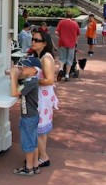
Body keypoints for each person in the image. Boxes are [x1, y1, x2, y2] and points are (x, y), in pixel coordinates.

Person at [30, 30, 59, 167]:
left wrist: (31, 80)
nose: (33, 42)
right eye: (33, 39)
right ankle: (42, 156)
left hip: (42, 97)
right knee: (42, 129)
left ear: (44, 43)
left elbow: (49, 80)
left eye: (37, 40)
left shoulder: (46, 59)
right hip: (44, 96)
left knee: (35, 127)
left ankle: (43, 156)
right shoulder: (42, 56)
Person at [10, 56, 42, 176]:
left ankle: (28, 168)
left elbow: (14, 93)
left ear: (34, 70)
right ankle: (35, 165)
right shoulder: (31, 80)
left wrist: (13, 76)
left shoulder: (31, 83)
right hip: (31, 116)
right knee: (33, 140)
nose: (22, 68)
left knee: (28, 143)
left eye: (25, 66)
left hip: (28, 117)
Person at [55, 11, 81, 81]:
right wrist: (75, 40)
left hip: (62, 42)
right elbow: (78, 34)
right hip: (71, 44)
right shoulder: (75, 23)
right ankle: (67, 75)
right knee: (69, 60)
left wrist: (61, 36)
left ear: (66, 16)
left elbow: (56, 32)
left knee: (62, 58)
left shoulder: (61, 22)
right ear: (72, 16)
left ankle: (60, 69)